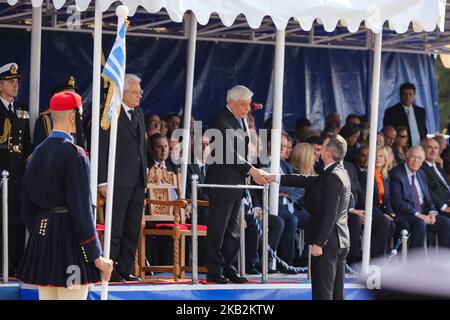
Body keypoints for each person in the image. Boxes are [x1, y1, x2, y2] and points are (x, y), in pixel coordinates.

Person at [17, 91, 113, 300]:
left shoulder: (35, 155)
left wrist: (43, 230)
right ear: (72, 117)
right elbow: (81, 210)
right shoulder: (75, 154)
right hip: (70, 241)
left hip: (42, 238)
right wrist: (96, 255)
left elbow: (26, 206)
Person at [269, 133, 351, 300]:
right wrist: (273, 177)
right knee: (336, 294)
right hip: (340, 239)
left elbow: (330, 213)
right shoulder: (337, 172)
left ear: (328, 153)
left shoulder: (332, 177)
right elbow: (305, 180)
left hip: (328, 242)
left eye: (323, 147)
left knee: (323, 293)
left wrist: (319, 243)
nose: (318, 152)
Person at [205, 85, 269, 284]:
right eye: (244, 105)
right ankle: (214, 270)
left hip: (236, 183)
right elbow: (229, 154)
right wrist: (252, 170)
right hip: (222, 182)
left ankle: (229, 267)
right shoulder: (220, 120)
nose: (247, 109)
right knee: (219, 228)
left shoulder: (238, 119)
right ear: (232, 102)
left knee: (233, 230)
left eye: (249, 105)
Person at [98, 74, 147, 282]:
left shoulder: (139, 113)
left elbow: (141, 147)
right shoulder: (110, 111)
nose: (139, 96)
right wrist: (102, 180)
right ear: (124, 92)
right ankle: (111, 270)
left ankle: (125, 269)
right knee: (115, 228)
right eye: (135, 92)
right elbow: (101, 146)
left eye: (140, 92)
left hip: (137, 180)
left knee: (132, 228)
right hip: (117, 181)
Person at [0, 62, 33, 273]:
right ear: (0, 85)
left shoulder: (21, 109)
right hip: (1, 174)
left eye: (17, 82)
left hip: (19, 175)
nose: (15, 86)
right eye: (11, 82)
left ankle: (14, 265)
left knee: (17, 221)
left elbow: (27, 142)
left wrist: (31, 159)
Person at [390, 146, 450, 249]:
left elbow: (428, 198)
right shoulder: (396, 174)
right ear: (406, 157)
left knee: (445, 222)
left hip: (423, 212)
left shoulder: (421, 174)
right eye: (413, 157)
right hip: (405, 214)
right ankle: (416, 260)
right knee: (420, 222)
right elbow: (398, 202)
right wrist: (418, 214)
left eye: (419, 158)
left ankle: (443, 259)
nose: (416, 160)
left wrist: (432, 213)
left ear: (422, 162)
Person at [33, 76, 80, 147]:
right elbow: (41, 153)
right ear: (56, 96)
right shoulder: (45, 121)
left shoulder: (75, 118)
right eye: (68, 95)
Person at [383, 82, 427, 147]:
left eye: (410, 94)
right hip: (401, 150)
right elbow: (388, 132)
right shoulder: (391, 111)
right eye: (405, 94)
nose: (407, 97)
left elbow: (424, 130)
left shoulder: (421, 111)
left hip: (419, 148)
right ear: (400, 95)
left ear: (414, 95)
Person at [421, 138, 450, 219]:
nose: (433, 150)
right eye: (430, 147)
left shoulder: (438, 167)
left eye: (436, 148)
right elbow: (427, 191)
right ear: (422, 150)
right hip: (439, 208)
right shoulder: (420, 168)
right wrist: (444, 207)